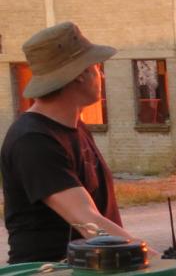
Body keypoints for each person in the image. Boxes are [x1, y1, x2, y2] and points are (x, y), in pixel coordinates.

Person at [1, 22, 135, 263]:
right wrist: (148, 259)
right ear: (79, 75)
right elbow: (86, 221)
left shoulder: (75, 127)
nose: (101, 75)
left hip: (89, 267)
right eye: (96, 67)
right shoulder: (33, 141)